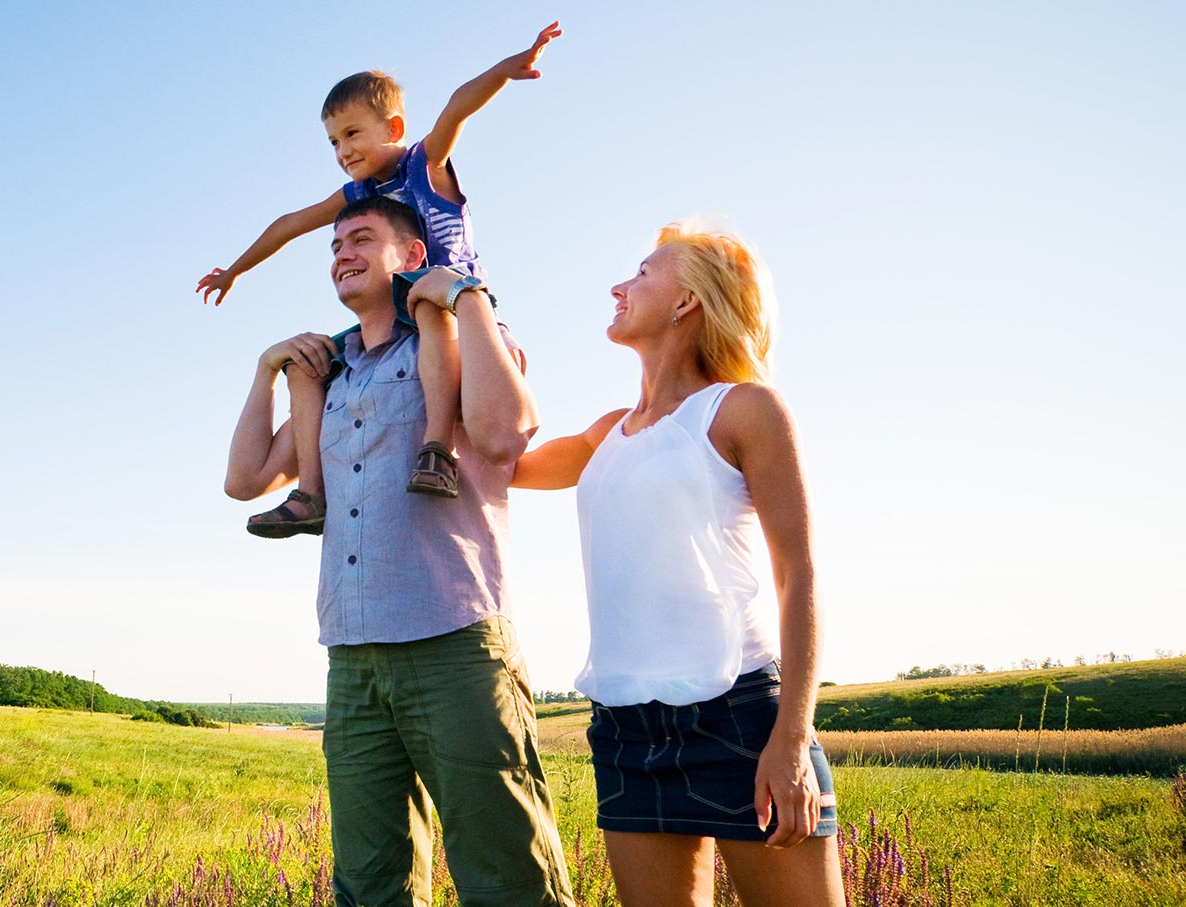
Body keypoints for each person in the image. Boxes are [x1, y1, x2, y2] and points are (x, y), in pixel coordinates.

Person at [224, 195, 577, 907]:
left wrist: (467, 298)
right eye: (333, 247)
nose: (342, 254)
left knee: (510, 879)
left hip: (454, 641)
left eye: (360, 238)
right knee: (369, 886)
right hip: (352, 655)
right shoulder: (332, 374)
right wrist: (265, 370)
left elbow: (506, 434)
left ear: (413, 255)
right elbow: (245, 479)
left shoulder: (459, 337)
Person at [510, 221, 842, 906]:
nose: (618, 286)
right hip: (625, 727)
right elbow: (497, 464)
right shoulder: (605, 434)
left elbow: (799, 574)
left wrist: (790, 738)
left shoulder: (743, 410)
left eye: (641, 273)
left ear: (687, 300)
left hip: (740, 717)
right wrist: (482, 344)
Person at [201, 23, 563, 537]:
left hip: (450, 299)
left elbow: (456, 108)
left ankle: (436, 447)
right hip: (396, 315)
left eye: (352, 134)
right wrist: (235, 270)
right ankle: (311, 495)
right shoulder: (358, 193)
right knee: (307, 364)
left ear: (393, 128)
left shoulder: (423, 165)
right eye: (333, 141)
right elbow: (290, 223)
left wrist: (506, 69)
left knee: (426, 304)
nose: (342, 150)